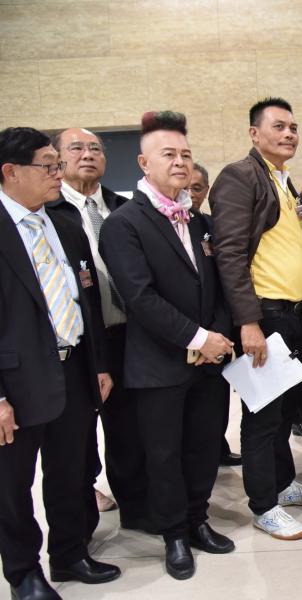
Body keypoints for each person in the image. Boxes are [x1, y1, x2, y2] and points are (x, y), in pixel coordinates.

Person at [100, 111, 236, 580]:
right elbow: (139, 297)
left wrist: (217, 336)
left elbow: (219, 287)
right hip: (158, 363)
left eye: (186, 154)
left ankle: (198, 519)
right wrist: (199, 338)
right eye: (169, 154)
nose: (180, 162)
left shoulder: (199, 222)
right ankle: (174, 533)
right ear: (144, 163)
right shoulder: (123, 223)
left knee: (204, 446)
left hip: (208, 361)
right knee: (164, 454)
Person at [0, 126, 120, 600]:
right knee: (12, 484)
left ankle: (70, 553)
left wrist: (99, 364)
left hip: (73, 367)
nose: (58, 174)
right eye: (48, 166)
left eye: (58, 165)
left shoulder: (65, 224)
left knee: (72, 468)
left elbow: (87, 300)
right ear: (10, 172)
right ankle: (23, 573)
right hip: (15, 378)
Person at [210, 97, 302, 541]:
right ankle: (263, 505)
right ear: (254, 133)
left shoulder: (281, 180)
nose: (289, 134)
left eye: (293, 127)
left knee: (283, 413)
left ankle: (282, 484)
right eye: (278, 126)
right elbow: (229, 253)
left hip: (291, 314)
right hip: (263, 314)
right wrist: (248, 322)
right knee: (262, 416)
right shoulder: (240, 176)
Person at [45, 128, 138, 532]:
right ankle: (80, 525)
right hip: (78, 344)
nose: (88, 155)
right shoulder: (48, 212)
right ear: (58, 159)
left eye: (95, 148)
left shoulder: (123, 207)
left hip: (127, 336)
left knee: (129, 430)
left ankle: (137, 510)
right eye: (77, 148)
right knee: (76, 440)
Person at [186, 162, 242, 468]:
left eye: (197, 188)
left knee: (217, 402)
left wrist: (218, 333)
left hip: (217, 334)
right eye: (186, 187)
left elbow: (225, 282)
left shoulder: (211, 226)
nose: (191, 193)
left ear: (206, 191)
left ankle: (217, 449)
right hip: (183, 336)